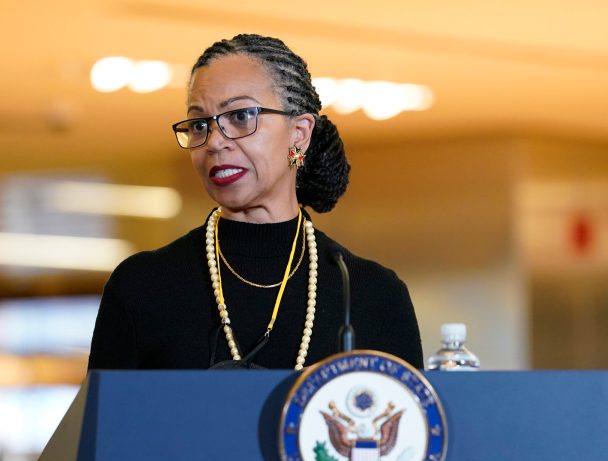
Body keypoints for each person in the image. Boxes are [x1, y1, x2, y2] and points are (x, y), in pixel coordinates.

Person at [88, 34, 422, 371]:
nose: (215, 142)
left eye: (240, 116)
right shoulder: (142, 287)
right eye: (200, 123)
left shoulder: (370, 294)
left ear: (300, 133)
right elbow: (104, 422)